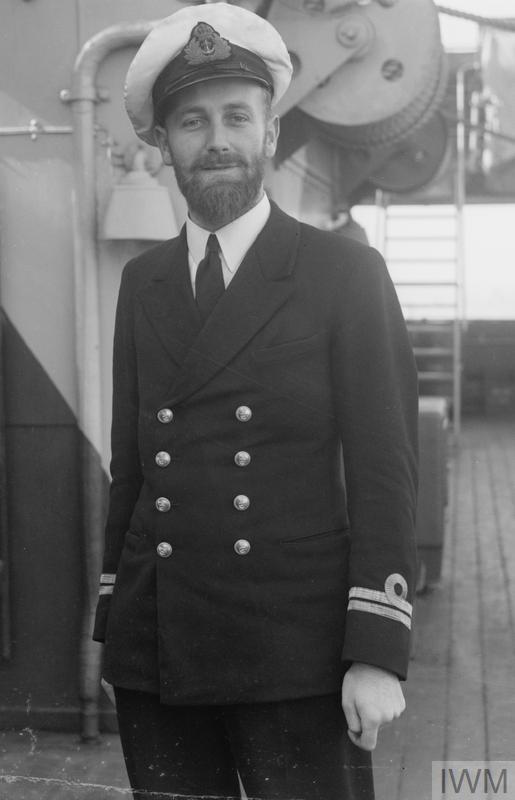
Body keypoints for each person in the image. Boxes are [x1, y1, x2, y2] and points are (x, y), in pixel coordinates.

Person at [93, 4, 418, 799]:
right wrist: (113, 628)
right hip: (161, 645)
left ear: (269, 133)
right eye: (192, 122)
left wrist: (375, 649)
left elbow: (385, 470)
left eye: (237, 116)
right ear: (163, 146)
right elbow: (132, 469)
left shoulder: (343, 275)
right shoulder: (144, 284)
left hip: (297, 652)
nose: (217, 141)